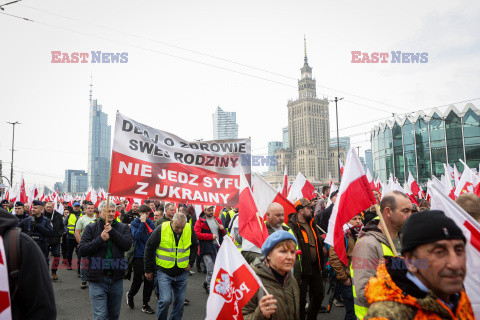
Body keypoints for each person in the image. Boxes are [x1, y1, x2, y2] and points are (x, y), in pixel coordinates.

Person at [364, 210, 475, 319]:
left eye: (459, 250)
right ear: (411, 261)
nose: (455, 264)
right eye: (439, 252)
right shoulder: (387, 315)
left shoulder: (460, 299)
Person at [351, 191, 412, 320]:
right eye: (405, 211)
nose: (410, 215)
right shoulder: (367, 244)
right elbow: (363, 293)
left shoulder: (405, 240)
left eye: (411, 211)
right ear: (388, 212)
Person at [78, 200, 133, 320]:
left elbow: (127, 245)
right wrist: (100, 239)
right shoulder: (91, 228)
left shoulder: (122, 227)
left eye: (113, 211)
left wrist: (112, 232)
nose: (111, 214)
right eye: (108, 211)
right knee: (100, 316)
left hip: (116, 278)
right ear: (101, 212)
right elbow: (82, 250)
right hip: (98, 278)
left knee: (114, 315)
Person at [0, 207, 57, 319]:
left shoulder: (20, 244)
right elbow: (18, 228)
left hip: (39, 250)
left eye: (36, 208)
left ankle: (53, 273)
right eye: (33, 208)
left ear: (41, 210)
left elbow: (50, 233)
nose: (33, 210)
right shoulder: (26, 221)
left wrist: (38, 226)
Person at [144, 212, 198, 320]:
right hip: (164, 272)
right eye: (177, 227)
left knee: (180, 302)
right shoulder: (161, 229)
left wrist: (191, 263)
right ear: (172, 221)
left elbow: (194, 245)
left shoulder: (189, 228)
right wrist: (148, 270)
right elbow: (149, 248)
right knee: (165, 300)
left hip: (182, 272)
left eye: (182, 227)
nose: (180, 230)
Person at [243, 230, 300, 320]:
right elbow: (242, 316)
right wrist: (260, 314)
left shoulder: (291, 279)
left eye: (292, 252)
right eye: (283, 251)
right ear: (268, 255)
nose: (290, 257)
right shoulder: (253, 281)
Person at [287, 198, 325, 320]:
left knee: (319, 295)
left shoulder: (312, 222)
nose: (311, 209)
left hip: (315, 266)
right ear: (301, 211)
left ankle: (311, 317)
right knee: (301, 301)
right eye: (308, 208)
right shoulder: (292, 226)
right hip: (302, 269)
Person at [329, 214, 363, 320]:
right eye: (354, 219)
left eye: (359, 219)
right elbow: (334, 258)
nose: (358, 221)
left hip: (361, 278)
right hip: (349, 278)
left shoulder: (363, 233)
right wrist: (344, 278)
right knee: (351, 313)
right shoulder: (342, 234)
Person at [126, 204, 156, 314]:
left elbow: (153, 235)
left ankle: (145, 304)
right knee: (138, 280)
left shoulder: (150, 222)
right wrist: (142, 223)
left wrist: (146, 222)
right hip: (138, 255)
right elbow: (136, 236)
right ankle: (130, 295)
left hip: (150, 255)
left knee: (149, 280)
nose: (146, 216)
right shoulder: (135, 223)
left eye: (147, 214)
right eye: (144, 214)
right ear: (139, 213)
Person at [194, 205, 226, 293]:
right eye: (209, 210)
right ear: (204, 210)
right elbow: (196, 234)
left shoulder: (217, 220)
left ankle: (207, 283)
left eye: (212, 210)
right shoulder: (200, 221)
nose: (211, 212)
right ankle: (209, 288)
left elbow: (223, 234)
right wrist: (210, 236)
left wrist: (223, 229)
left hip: (217, 248)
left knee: (217, 269)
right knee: (211, 269)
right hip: (207, 248)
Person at [75, 201, 96, 288]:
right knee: (84, 263)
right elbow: (77, 233)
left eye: (92, 208)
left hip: (96, 244)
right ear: (85, 209)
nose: (91, 210)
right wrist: (81, 244)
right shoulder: (81, 219)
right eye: (89, 208)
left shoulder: (97, 218)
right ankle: (83, 280)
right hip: (86, 244)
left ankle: (94, 279)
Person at [44, 201, 64, 280]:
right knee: (45, 257)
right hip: (46, 239)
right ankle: (45, 272)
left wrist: (60, 233)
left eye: (50, 207)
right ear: (45, 207)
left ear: (53, 207)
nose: (49, 208)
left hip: (56, 239)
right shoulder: (42, 215)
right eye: (47, 207)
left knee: (57, 255)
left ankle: (54, 272)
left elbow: (62, 226)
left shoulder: (57, 215)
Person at [64, 201, 82, 270]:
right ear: (73, 207)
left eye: (78, 206)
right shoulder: (69, 214)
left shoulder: (82, 214)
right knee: (69, 252)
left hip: (79, 237)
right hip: (70, 237)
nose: (77, 208)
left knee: (79, 253)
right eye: (75, 206)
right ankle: (69, 264)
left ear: (79, 207)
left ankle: (79, 267)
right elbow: (64, 224)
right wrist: (67, 231)